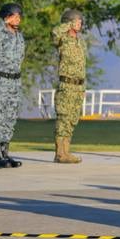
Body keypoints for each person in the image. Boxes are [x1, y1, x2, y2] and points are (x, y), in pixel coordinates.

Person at [0, 3, 25, 168]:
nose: (18, 19)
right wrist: (4, 22)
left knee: (10, 118)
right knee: (0, 118)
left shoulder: (19, 36)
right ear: (6, 16)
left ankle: (6, 154)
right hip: (1, 82)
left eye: (19, 16)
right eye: (14, 15)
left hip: (15, 81)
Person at [52, 9, 86, 164]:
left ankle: (66, 151)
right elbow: (54, 32)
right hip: (66, 84)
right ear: (70, 22)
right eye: (77, 21)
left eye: (80, 21)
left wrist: (83, 88)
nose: (80, 24)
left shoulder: (81, 41)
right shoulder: (62, 38)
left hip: (79, 86)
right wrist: (67, 25)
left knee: (72, 120)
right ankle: (60, 153)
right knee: (64, 118)